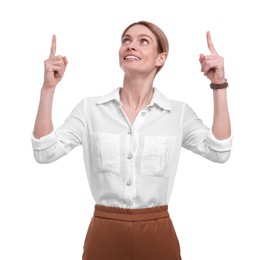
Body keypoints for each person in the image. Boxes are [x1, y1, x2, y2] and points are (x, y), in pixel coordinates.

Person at [32, 21, 232, 260]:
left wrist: (219, 85)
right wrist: (48, 88)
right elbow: (45, 152)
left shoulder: (178, 114)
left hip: (157, 233)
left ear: (161, 58)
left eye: (142, 41)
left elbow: (219, 151)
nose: (130, 46)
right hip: (104, 233)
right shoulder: (90, 110)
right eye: (126, 40)